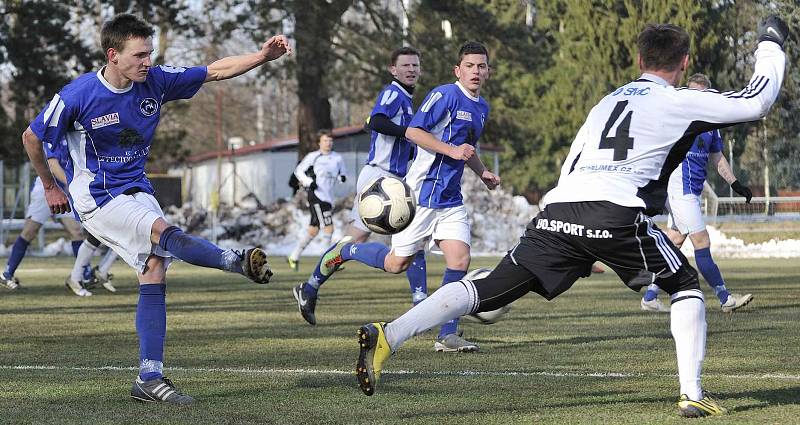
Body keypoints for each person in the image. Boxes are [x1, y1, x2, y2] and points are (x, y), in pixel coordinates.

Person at [353, 17, 788, 418]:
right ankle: (692, 394)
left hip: (560, 210)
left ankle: (388, 335)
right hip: (616, 212)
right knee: (684, 284)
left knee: (487, 289)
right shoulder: (682, 100)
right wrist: (771, 43)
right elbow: (756, 102)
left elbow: (571, 163)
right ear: (685, 61)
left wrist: (570, 229)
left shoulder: (607, 102)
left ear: (639, 60)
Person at [22, 13, 288, 404]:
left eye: (150, 53)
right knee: (164, 232)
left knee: (154, 269)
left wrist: (262, 57)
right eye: (140, 55)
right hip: (96, 196)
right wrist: (48, 186)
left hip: (135, 187)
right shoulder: (77, 95)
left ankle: (149, 378)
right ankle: (234, 261)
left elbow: (214, 71)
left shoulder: (156, 81)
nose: (148, 61)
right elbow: (31, 136)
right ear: (113, 55)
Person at [299, 41, 500, 353]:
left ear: (488, 71)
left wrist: (483, 171)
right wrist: (451, 151)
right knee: (395, 264)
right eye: (470, 66)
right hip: (420, 194)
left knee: (460, 259)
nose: (476, 71)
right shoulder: (444, 95)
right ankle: (349, 251)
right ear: (457, 70)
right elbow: (416, 132)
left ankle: (447, 335)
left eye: (481, 66)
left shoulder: (482, 107)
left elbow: (466, 149)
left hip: (450, 199)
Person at [292, 46, 430, 324]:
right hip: (379, 179)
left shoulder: (406, 100)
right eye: (405, 65)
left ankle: (421, 303)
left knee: (412, 237)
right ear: (393, 70)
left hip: (394, 179)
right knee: (356, 240)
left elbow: (387, 131)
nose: (411, 69)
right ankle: (309, 287)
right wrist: (406, 132)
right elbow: (376, 121)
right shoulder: (393, 92)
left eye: (415, 65)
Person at [639, 73, 754, 314]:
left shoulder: (712, 126)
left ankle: (650, 296)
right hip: (681, 189)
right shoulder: (678, 119)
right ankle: (725, 298)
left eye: (700, 95)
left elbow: (717, 158)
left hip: (691, 190)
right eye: (691, 94)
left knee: (674, 242)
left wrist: (735, 183)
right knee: (702, 241)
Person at [1, 160, 85, 293]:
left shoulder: (74, 139)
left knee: (76, 232)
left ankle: (84, 275)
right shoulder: (53, 139)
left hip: (63, 188)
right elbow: (52, 165)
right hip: (47, 187)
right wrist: (71, 185)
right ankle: (7, 273)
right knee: (29, 232)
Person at [286, 130, 347, 270]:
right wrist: (308, 182)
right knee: (328, 228)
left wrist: (341, 178)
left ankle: (293, 256)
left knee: (313, 230)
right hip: (317, 196)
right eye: (325, 140)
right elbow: (298, 171)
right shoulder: (313, 157)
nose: (328, 143)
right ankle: (328, 262)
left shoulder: (337, 158)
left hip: (328, 197)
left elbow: (341, 174)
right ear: (319, 142)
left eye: (330, 141)